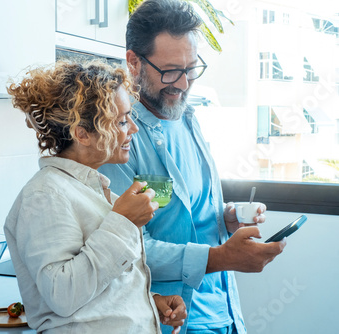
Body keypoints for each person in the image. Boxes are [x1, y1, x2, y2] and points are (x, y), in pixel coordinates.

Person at [99, 1, 287, 333]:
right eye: (170, 71)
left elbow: (190, 216)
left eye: (191, 69)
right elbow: (126, 250)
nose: (184, 84)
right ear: (133, 63)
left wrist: (227, 217)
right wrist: (222, 257)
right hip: (175, 319)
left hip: (225, 313)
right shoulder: (118, 140)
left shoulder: (186, 117)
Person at [4, 59, 187, 334]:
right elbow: (62, 295)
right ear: (83, 134)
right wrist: (124, 222)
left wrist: (148, 304)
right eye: (123, 121)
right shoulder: (45, 195)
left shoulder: (94, 190)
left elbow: (97, 295)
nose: (133, 129)